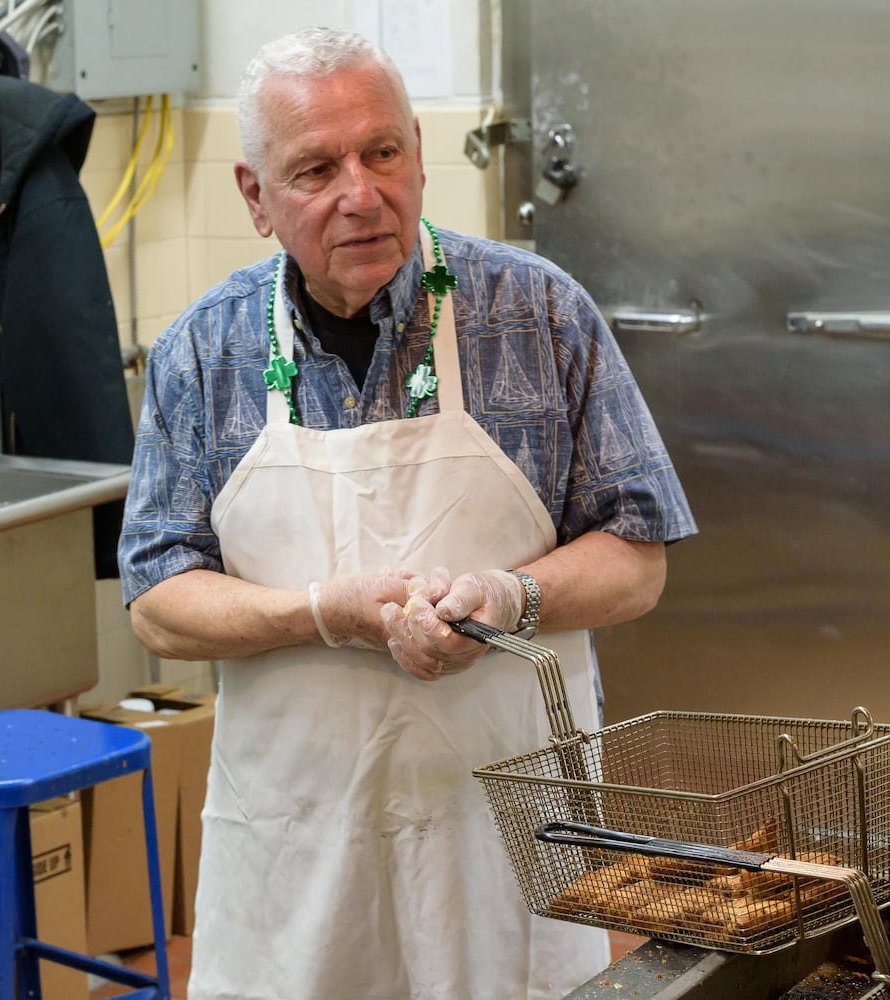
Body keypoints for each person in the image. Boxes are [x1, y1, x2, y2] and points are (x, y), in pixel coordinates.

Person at [119, 26, 695, 1000]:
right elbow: (156, 601)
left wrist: (509, 596)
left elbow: (637, 559)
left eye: (382, 152)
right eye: (315, 168)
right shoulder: (200, 354)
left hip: (505, 849)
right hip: (297, 844)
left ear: (420, 154)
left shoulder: (537, 314)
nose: (361, 192)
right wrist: (320, 613)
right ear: (255, 198)